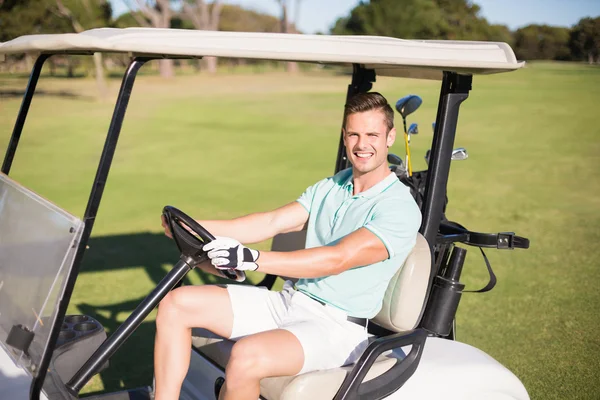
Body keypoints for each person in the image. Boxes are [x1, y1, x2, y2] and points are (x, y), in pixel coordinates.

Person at [154, 92, 422, 400]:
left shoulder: (398, 207)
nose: (362, 145)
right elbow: (270, 223)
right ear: (345, 137)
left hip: (336, 327)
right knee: (176, 305)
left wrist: (252, 259)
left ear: (390, 138)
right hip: (291, 302)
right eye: (354, 134)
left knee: (247, 356)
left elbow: (337, 258)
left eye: (372, 135)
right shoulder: (332, 186)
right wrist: (194, 226)